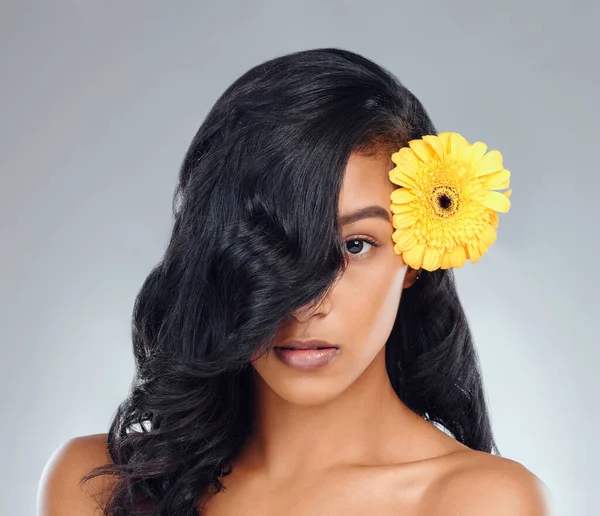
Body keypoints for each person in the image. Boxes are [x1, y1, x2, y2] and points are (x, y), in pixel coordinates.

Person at [38, 47, 551, 515]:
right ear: (217, 255)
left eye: (356, 245)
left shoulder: (478, 503)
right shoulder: (100, 490)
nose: (308, 303)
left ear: (416, 256)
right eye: (272, 244)